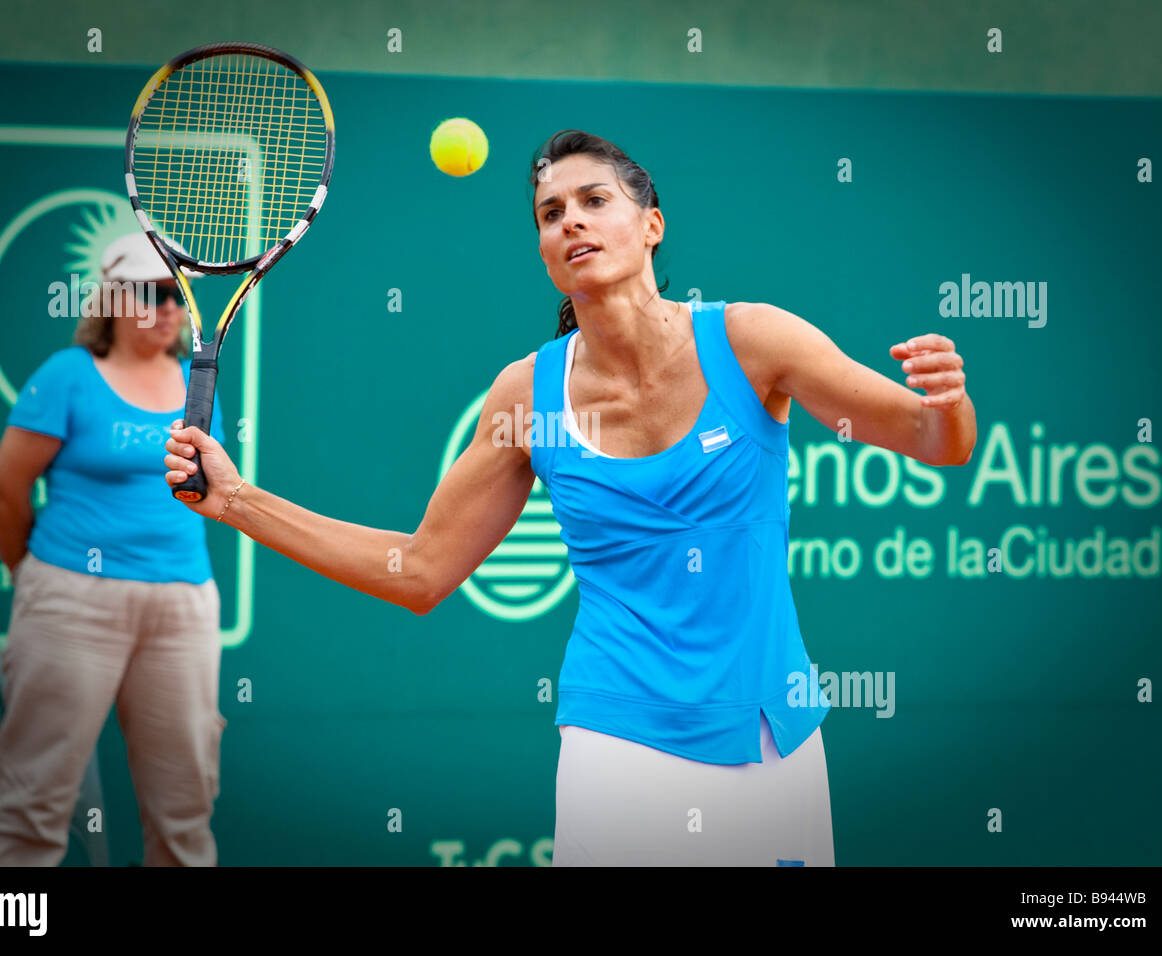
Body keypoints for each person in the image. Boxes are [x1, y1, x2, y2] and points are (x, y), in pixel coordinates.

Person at [162, 129, 976, 866]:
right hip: (617, 743)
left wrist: (949, 401)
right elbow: (419, 571)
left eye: (595, 202)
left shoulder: (754, 341)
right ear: (546, 253)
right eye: (551, 214)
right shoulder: (527, 395)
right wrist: (237, 501)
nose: (571, 223)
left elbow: (935, 444)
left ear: (651, 224)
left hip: (774, 737)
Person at [0, 232, 227, 866]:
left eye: (177, 295)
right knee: (31, 801)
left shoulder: (196, 384)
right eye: (151, 293)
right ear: (112, 299)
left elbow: (209, 492)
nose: (167, 309)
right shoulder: (66, 377)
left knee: (184, 809)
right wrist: (37, 581)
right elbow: (4, 491)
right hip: (70, 600)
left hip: (184, 602)